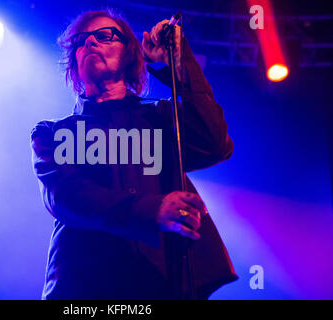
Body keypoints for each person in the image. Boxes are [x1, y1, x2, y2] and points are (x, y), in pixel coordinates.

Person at [30, 9, 238, 300]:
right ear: (74, 61)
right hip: (83, 289)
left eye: (104, 36)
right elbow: (67, 198)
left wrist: (179, 62)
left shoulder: (161, 119)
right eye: (81, 41)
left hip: (161, 284)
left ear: (129, 53)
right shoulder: (53, 134)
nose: (90, 44)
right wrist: (152, 208)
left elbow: (215, 143)